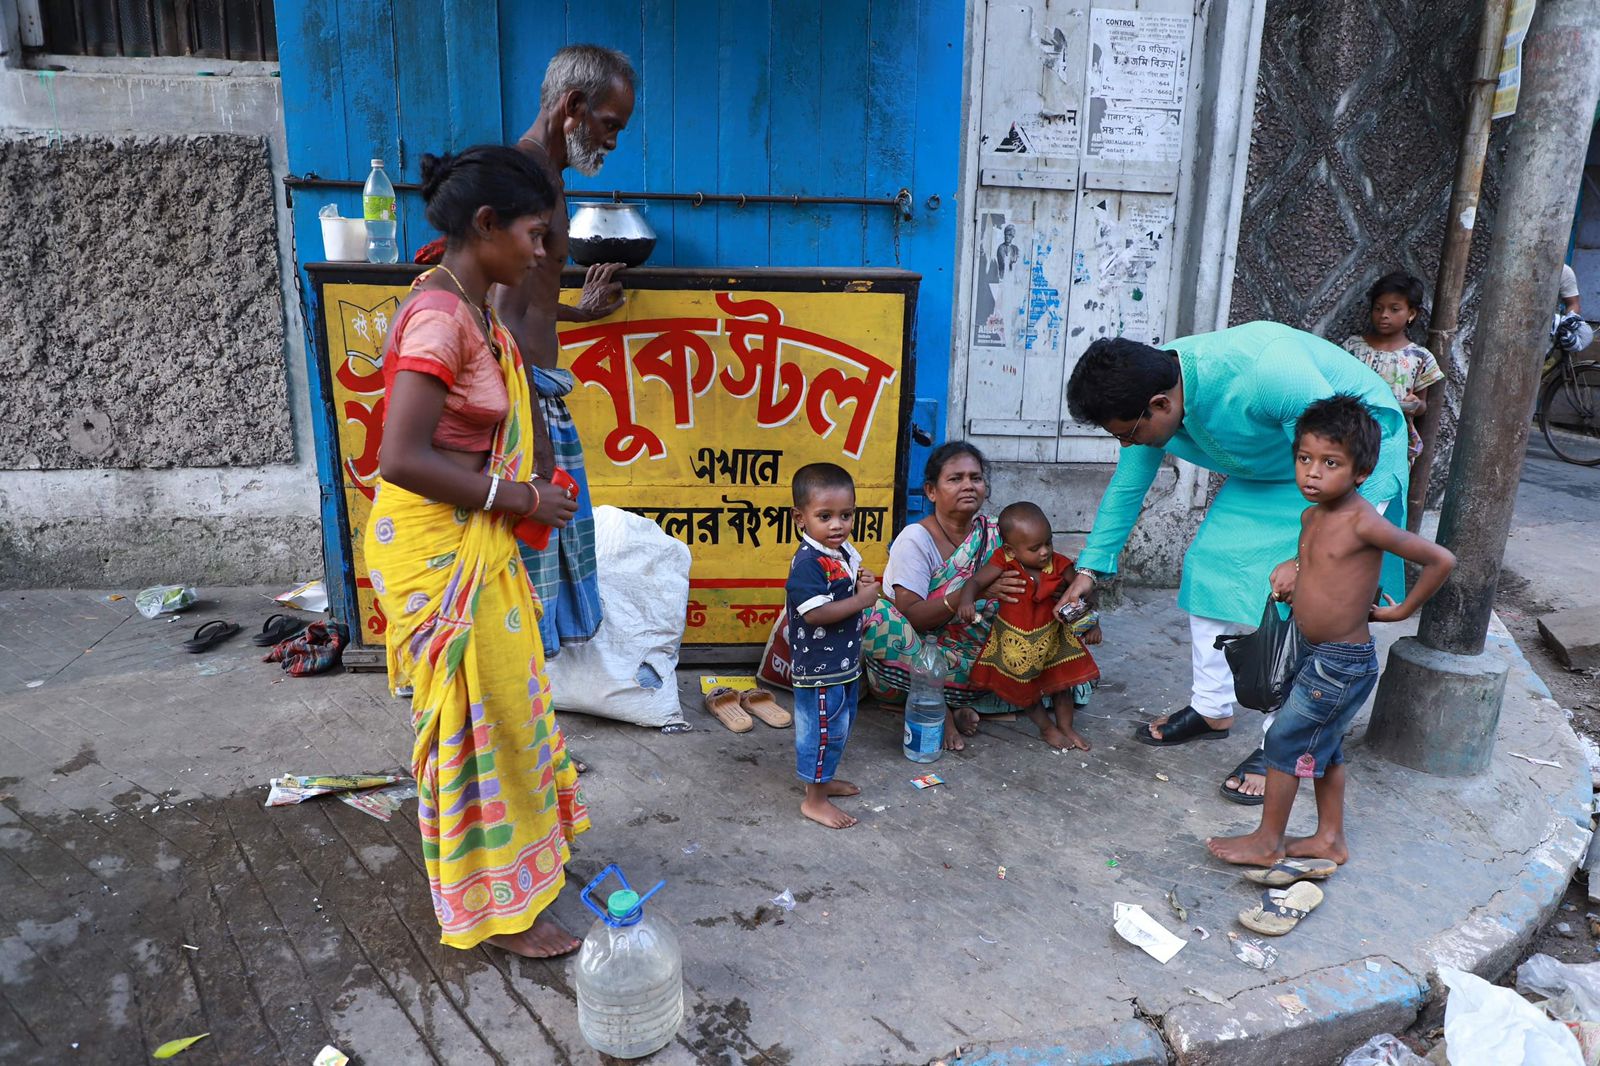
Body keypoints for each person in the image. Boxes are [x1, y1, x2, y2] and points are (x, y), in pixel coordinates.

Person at [365, 146, 587, 958]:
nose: (541, 249)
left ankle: (521, 866)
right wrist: (522, 498)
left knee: (510, 705)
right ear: (486, 225)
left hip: (474, 539)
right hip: (436, 546)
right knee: (480, 721)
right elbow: (401, 457)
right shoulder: (439, 317)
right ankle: (494, 908)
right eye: (534, 234)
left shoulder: (473, 303)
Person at [1061, 323, 1410, 803]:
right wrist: (1090, 569)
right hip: (1272, 466)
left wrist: (1303, 561)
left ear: (1160, 406)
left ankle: (1280, 744)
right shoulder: (1152, 391)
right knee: (1209, 566)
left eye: (1127, 434)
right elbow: (1127, 487)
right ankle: (1211, 709)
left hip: (1345, 466)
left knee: (1300, 603)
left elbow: (1331, 457)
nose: (1127, 445)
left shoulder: (1270, 370)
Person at [1207, 396, 1455, 868]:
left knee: (1282, 742)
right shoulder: (1312, 516)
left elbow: (1440, 559)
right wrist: (1295, 579)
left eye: (1330, 463)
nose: (1312, 473)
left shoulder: (1365, 521)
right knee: (1326, 746)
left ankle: (1267, 842)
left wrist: (1404, 609)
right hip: (1313, 651)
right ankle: (1330, 839)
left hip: (1342, 662)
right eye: (1305, 459)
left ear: (1361, 471)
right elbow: (1322, 568)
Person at [491, 45, 637, 663]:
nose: (611, 142)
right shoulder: (527, 178)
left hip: (534, 391)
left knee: (541, 568)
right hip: (522, 404)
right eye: (610, 125)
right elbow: (497, 313)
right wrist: (538, 448)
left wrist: (579, 310)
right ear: (573, 108)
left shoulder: (543, 177)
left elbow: (527, 300)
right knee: (525, 573)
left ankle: (527, 726)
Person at [861, 442, 1027, 751]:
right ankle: (941, 707)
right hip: (919, 660)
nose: (968, 486)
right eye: (955, 479)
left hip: (982, 664)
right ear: (931, 491)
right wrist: (971, 592)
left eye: (975, 478)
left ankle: (950, 703)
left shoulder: (997, 533)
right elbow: (912, 616)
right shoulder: (915, 540)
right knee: (875, 616)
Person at [958, 501, 1103, 751]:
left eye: (1048, 542)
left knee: (1062, 686)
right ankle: (1047, 728)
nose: (1045, 552)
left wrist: (1093, 623)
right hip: (1017, 644)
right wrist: (966, 601)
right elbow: (974, 581)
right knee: (1025, 691)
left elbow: (1086, 595)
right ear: (1011, 550)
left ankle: (1066, 727)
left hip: (1053, 638)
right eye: (1035, 548)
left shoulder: (1058, 565)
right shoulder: (1004, 561)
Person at [786, 462, 879, 829]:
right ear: (800, 517)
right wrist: (862, 601)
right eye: (825, 516)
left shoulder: (836, 551)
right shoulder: (808, 563)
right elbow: (815, 614)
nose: (837, 525)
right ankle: (814, 800)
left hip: (842, 665)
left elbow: (847, 586)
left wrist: (863, 582)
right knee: (821, 732)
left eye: (846, 515)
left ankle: (823, 783)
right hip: (819, 671)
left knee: (838, 728)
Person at [1339, 272, 1445, 464]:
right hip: (1349, 434)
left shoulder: (1420, 357)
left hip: (1392, 441)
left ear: (1411, 313)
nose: (1384, 315)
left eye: (1394, 309)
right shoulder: (1352, 348)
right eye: (1378, 308)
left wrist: (1415, 405)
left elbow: (1423, 404)